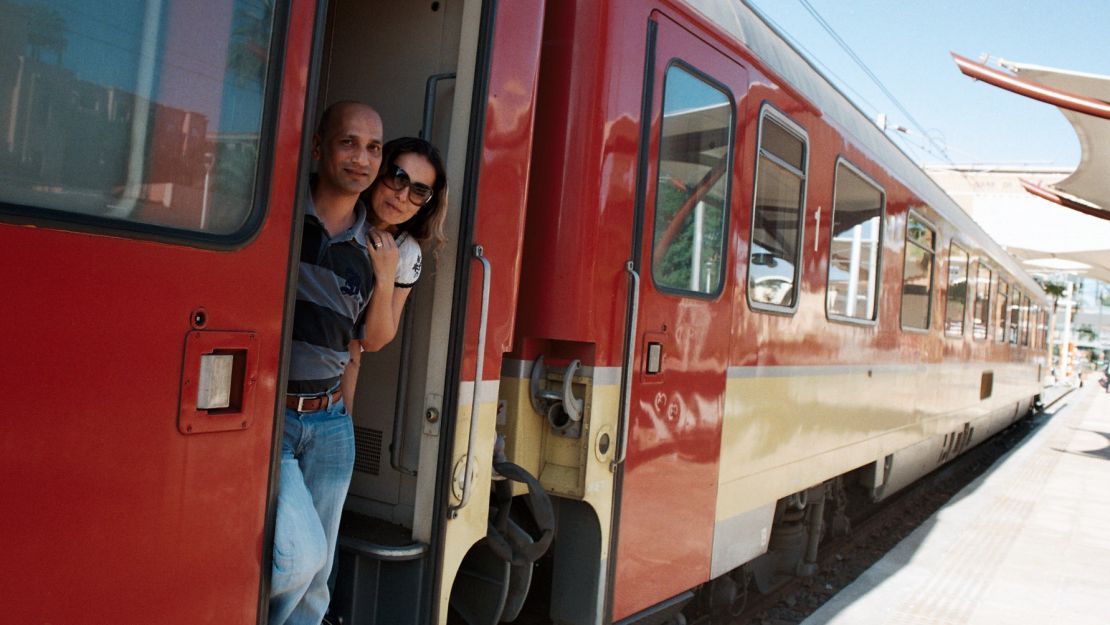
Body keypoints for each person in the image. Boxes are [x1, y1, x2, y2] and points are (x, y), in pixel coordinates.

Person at [269, 101, 383, 625]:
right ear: (318, 148)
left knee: (318, 584)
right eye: (348, 143)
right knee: (299, 558)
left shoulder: (373, 249)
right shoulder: (280, 217)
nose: (361, 158)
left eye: (373, 147)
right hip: (277, 417)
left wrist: (345, 423)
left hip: (331, 424)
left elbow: (363, 346)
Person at [340, 136, 449, 410]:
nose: (402, 196)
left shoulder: (407, 252)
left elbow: (373, 341)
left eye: (419, 191)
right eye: (398, 177)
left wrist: (386, 275)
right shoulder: (336, 215)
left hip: (341, 383)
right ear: (380, 170)